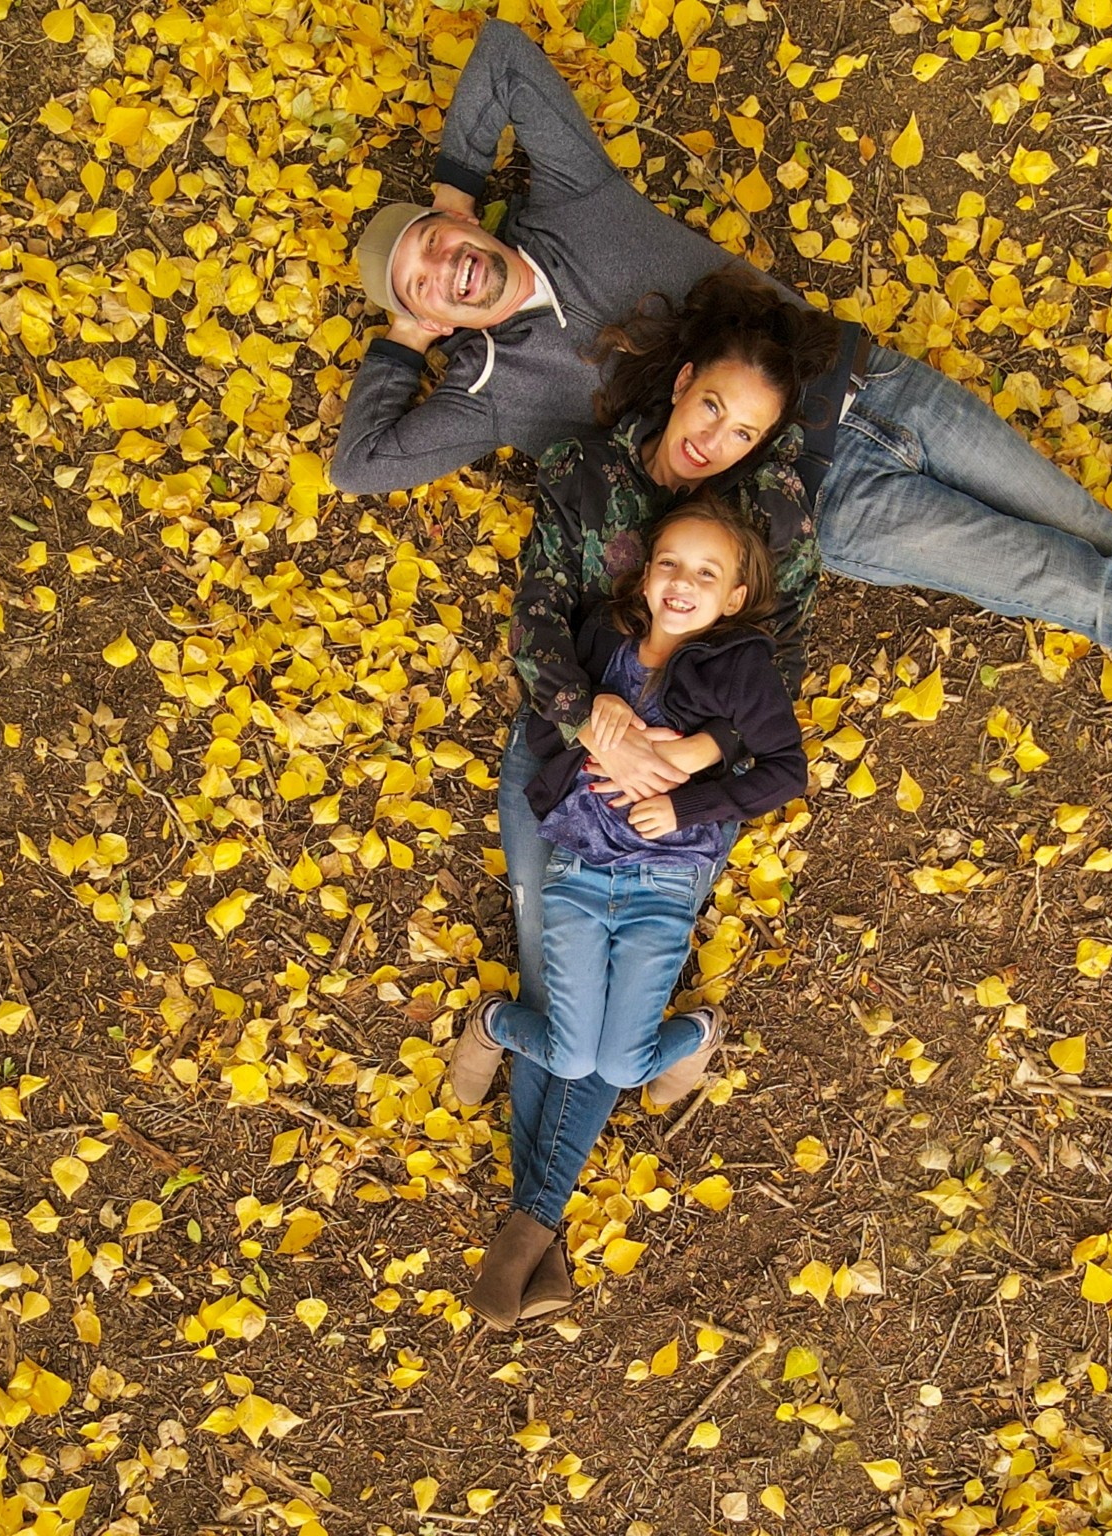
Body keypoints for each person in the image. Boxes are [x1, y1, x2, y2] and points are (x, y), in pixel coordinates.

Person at [327, 18, 1112, 749]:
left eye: (434, 240)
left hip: (872, 382)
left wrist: (451, 185)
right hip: (827, 498)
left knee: (1102, 538)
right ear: (432, 313)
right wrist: (400, 342)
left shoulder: (571, 200)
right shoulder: (490, 394)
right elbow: (359, 462)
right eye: (422, 282)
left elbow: (503, 55)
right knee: (1068, 584)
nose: (442, 264)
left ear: (460, 224)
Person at [442, 272, 834, 1326]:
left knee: (595, 1025)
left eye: (747, 432)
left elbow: (780, 674)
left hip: (674, 811)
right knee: (562, 993)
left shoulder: (768, 517)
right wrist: (595, 720)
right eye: (712, 407)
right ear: (683, 381)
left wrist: (694, 749)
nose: (718, 440)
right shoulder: (585, 477)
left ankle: (528, 1232)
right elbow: (534, 625)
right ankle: (533, 1233)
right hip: (564, 773)